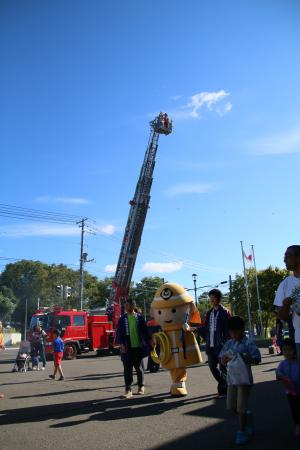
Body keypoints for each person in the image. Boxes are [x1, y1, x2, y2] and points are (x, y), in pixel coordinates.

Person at [219, 316, 261, 445]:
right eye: (231, 332)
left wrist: (246, 358)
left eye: (236, 332)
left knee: (241, 407)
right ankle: (247, 418)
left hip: (244, 380)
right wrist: (224, 359)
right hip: (232, 380)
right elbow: (221, 358)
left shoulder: (248, 343)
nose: (233, 335)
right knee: (231, 406)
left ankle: (242, 431)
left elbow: (257, 358)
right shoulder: (229, 343)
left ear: (242, 330)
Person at [115, 298, 151, 399]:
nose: (125, 307)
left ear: (133, 306)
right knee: (127, 369)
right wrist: (121, 344)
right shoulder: (123, 319)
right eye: (125, 305)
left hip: (138, 347)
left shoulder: (139, 318)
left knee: (139, 368)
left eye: (127, 305)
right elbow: (119, 332)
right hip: (127, 348)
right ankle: (128, 389)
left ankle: (141, 386)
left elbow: (145, 331)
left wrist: (150, 339)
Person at [198, 289, 230, 397]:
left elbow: (227, 329)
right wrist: (195, 329)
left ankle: (223, 390)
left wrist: (227, 342)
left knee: (223, 367)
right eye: (210, 297)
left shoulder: (224, 311)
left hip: (222, 345)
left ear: (218, 298)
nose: (211, 299)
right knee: (212, 366)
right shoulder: (209, 313)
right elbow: (205, 328)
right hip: (210, 345)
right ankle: (224, 383)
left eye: (213, 297)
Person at [274, 245, 300, 361]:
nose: (284, 260)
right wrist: (286, 305)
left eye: (287, 256)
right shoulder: (285, 285)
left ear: (298, 258)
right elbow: (281, 316)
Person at [276, 338, 300, 438]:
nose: (287, 352)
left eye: (290, 349)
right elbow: (278, 373)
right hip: (290, 392)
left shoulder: (298, 363)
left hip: (299, 390)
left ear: (294, 350)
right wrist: (281, 377)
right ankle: (298, 425)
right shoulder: (282, 364)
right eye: (285, 350)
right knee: (294, 409)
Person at [0, 321, 5, 399]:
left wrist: (2, 346)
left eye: (1, 324)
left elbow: (1, 344)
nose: (0, 325)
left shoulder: (1, 335)